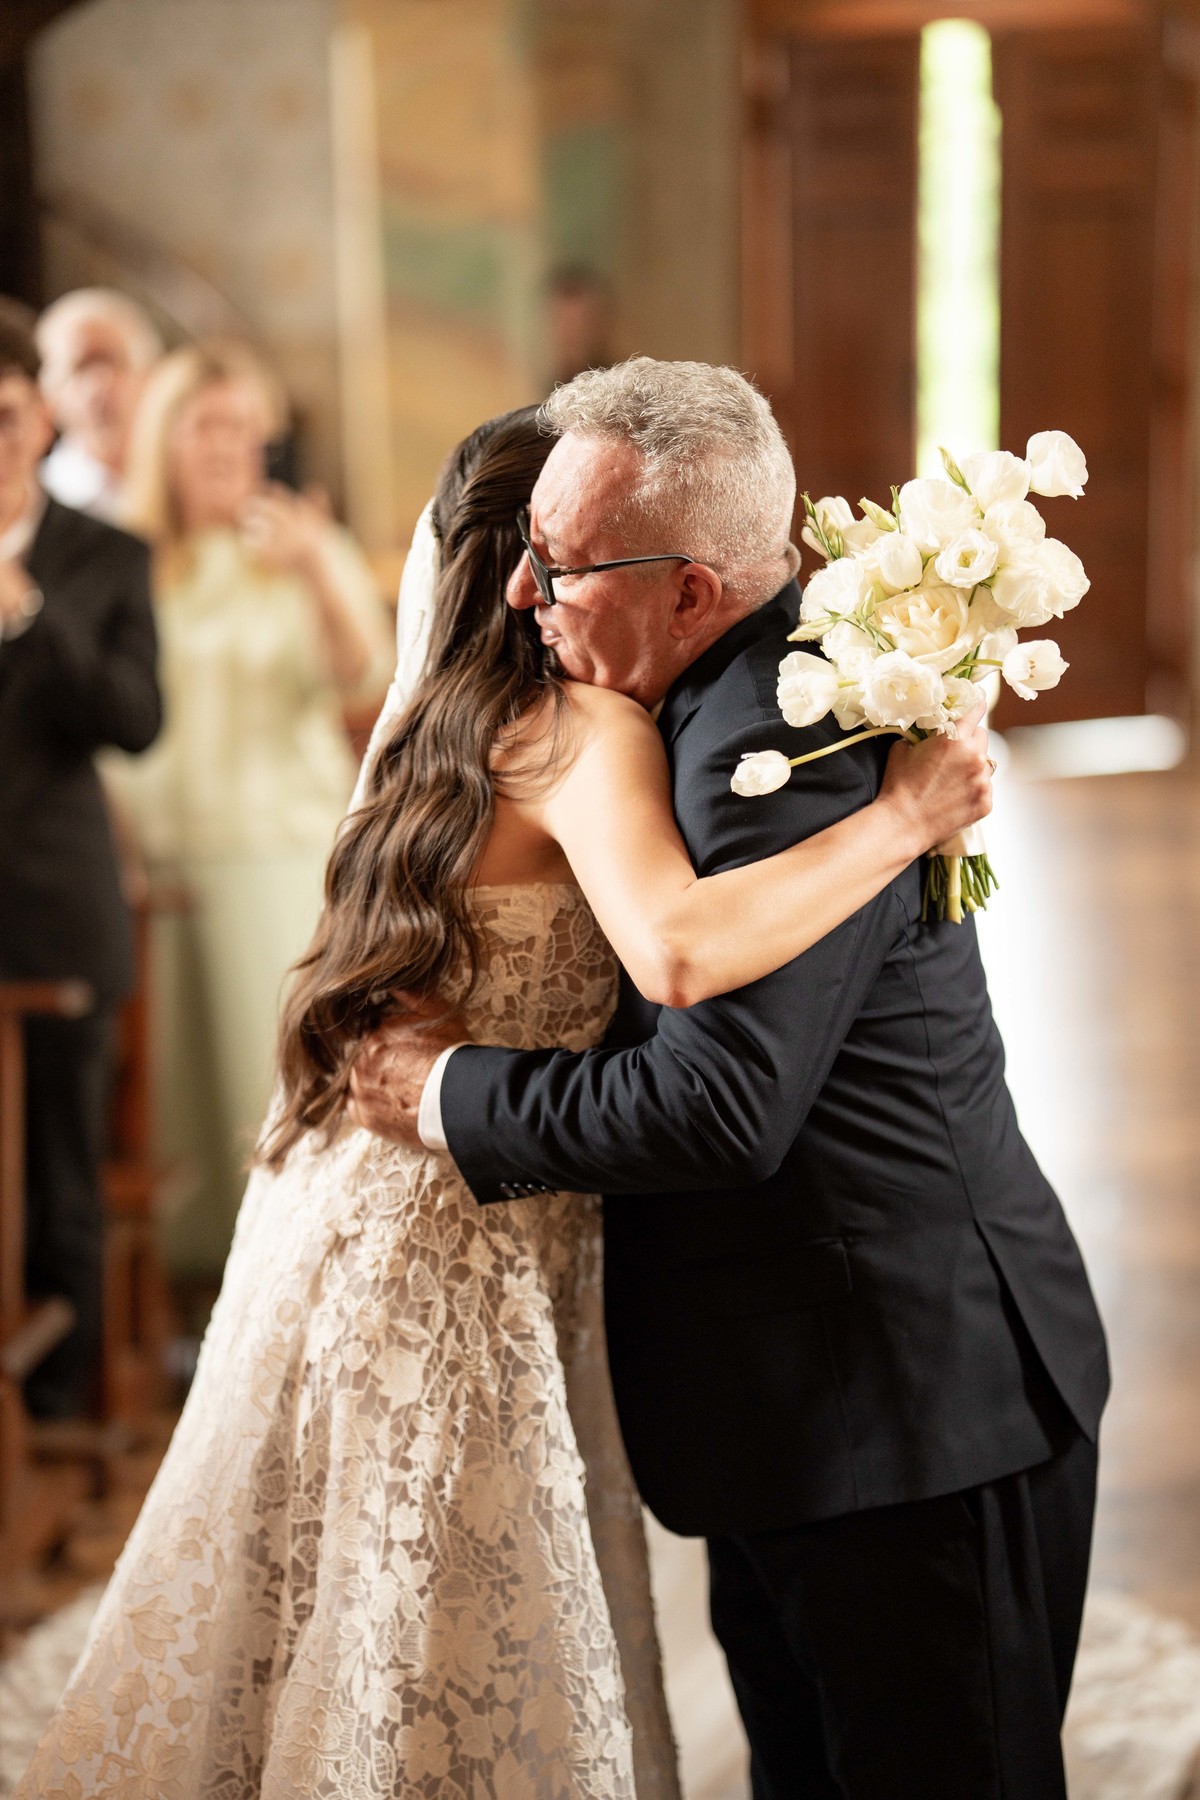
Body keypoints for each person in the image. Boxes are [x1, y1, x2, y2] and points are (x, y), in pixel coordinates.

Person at [17, 400, 994, 1798]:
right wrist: (905, 815)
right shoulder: (584, 730)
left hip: (338, 1217)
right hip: (467, 1245)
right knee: (441, 1634)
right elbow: (677, 949)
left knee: (306, 1607)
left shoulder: (428, 724)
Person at [348, 359, 1111, 1800]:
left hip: (903, 1412)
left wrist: (446, 1093)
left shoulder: (780, 738)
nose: (520, 593)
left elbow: (716, 1106)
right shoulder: (709, 700)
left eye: (560, 565)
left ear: (692, 591)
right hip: (799, 1395)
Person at [101, 339, 393, 1270]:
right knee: (167, 1106)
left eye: (242, 427)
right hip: (155, 859)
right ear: (165, 438)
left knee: (266, 1092)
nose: (227, 445)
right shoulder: (126, 555)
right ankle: (177, 1300)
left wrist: (313, 568)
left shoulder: (302, 545)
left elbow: (368, 677)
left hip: (275, 853)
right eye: (205, 425)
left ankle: (280, 1281)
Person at [0, 308, 161, 1420]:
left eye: (6, 416)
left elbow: (135, 720)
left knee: (62, 1175)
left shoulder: (106, 555)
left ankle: (60, 1416)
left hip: (56, 907)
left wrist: (33, 615)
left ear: (41, 416)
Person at [36, 287, 163, 522]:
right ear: (47, 392)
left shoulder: (183, 489)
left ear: (152, 375)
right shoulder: (36, 502)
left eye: (113, 361)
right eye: (80, 367)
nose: (99, 385)